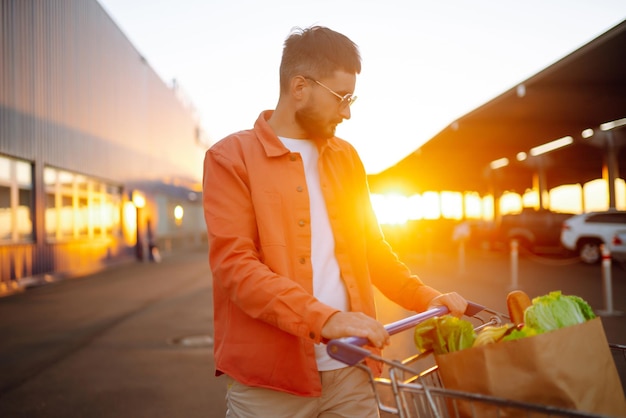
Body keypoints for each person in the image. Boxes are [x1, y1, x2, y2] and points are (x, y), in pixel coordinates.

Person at [202, 25, 468, 418]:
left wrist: (426, 297)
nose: (347, 112)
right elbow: (236, 268)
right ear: (299, 88)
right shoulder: (230, 158)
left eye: (352, 98)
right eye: (341, 98)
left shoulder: (347, 158)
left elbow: (372, 250)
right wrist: (327, 319)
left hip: (351, 373)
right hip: (269, 386)